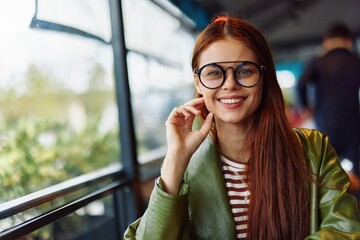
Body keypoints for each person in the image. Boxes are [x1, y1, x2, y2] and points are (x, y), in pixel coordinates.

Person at [124, 14, 360, 239]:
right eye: (214, 72)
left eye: (245, 71)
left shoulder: (313, 149)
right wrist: (175, 160)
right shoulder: (184, 165)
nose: (230, 85)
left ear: (264, 76)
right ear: (198, 81)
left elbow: (345, 229)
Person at [297, 22, 360, 197]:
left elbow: (301, 84)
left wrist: (306, 107)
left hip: (325, 125)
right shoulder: (356, 62)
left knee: (324, 175)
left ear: (326, 41)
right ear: (348, 40)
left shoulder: (318, 62)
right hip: (353, 128)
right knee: (356, 175)